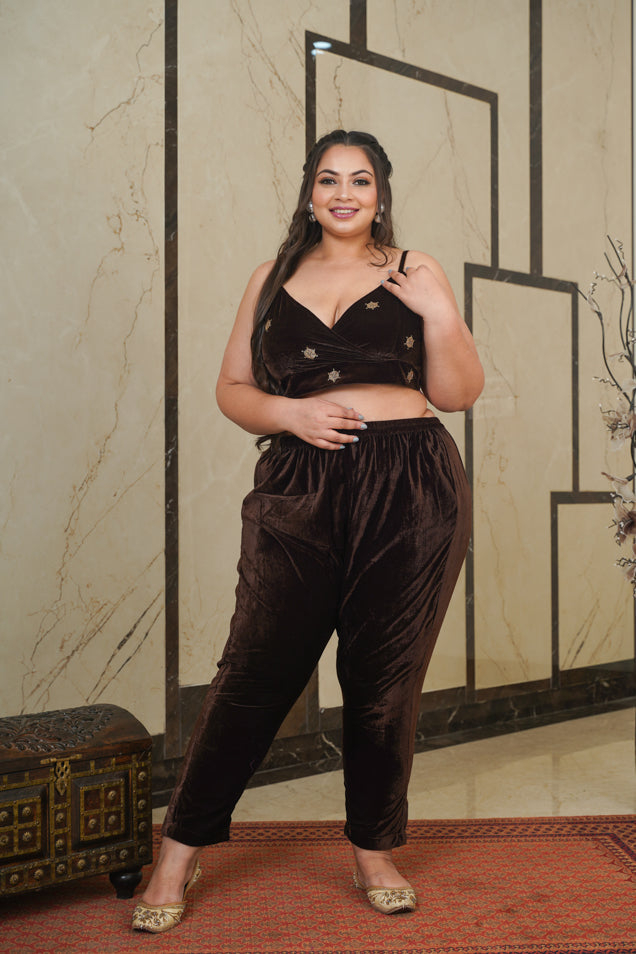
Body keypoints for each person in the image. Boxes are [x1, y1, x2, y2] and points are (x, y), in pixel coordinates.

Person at [132, 129, 484, 932]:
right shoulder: (271, 277)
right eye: (329, 179)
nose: (344, 193)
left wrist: (438, 313)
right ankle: (176, 853)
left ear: (381, 194)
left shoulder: (415, 271)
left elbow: (459, 393)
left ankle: (374, 850)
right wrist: (289, 414)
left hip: (412, 482)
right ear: (310, 192)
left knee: (383, 678)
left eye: (360, 180)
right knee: (254, 668)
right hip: (299, 482)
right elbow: (232, 388)